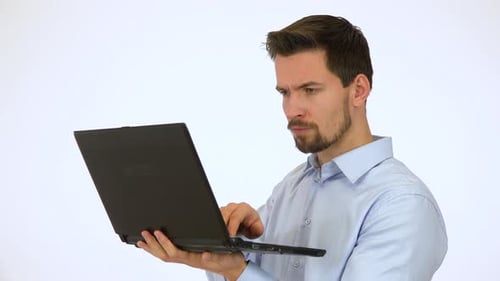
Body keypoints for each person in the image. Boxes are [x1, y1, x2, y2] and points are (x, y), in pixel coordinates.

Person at [137, 15, 448, 280]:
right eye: (284, 92)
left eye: (309, 90)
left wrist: (240, 272)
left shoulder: (402, 204)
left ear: (358, 90)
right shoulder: (290, 189)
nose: (292, 109)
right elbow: (239, 272)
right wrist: (229, 248)